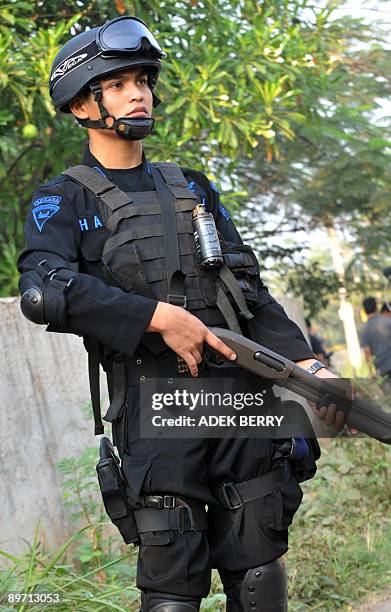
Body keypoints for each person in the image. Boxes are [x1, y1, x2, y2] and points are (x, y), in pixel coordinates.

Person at [17, 16, 346, 612]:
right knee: (173, 588)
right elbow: (45, 291)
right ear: (80, 105)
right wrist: (156, 318)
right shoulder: (60, 198)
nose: (137, 92)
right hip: (155, 411)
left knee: (259, 575)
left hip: (239, 401)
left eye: (142, 79)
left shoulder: (192, 186)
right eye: (117, 84)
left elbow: (249, 289)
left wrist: (306, 363)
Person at [360, 297, 391, 381]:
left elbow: (367, 352)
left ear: (365, 310)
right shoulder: (388, 321)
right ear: (376, 307)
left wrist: (371, 372)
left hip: (383, 368)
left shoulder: (364, 329)